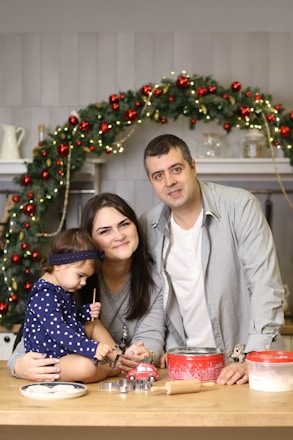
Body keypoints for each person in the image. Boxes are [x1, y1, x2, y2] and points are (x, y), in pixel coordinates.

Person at [139, 133, 285, 385]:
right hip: (186, 368)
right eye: (158, 175)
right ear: (151, 181)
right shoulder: (148, 226)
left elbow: (266, 285)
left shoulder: (240, 206)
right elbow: (157, 299)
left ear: (193, 167)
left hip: (244, 364)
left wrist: (255, 356)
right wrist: (164, 348)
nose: (170, 181)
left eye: (176, 169)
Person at [8, 194, 165, 381]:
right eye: (105, 231)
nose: (119, 235)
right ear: (90, 241)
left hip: (109, 369)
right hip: (72, 364)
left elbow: (151, 336)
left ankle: (117, 363)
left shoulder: (153, 280)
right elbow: (34, 337)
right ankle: (112, 366)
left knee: (92, 324)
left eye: (124, 224)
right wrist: (18, 365)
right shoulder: (68, 280)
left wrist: (145, 354)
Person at [22, 227, 122, 383]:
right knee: (85, 368)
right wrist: (92, 347)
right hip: (52, 357)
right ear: (58, 265)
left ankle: (120, 358)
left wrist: (84, 312)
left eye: (86, 278)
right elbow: (59, 331)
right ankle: (112, 368)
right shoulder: (44, 295)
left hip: (64, 348)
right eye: (80, 276)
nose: (83, 283)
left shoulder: (60, 289)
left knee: (92, 324)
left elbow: (68, 317)